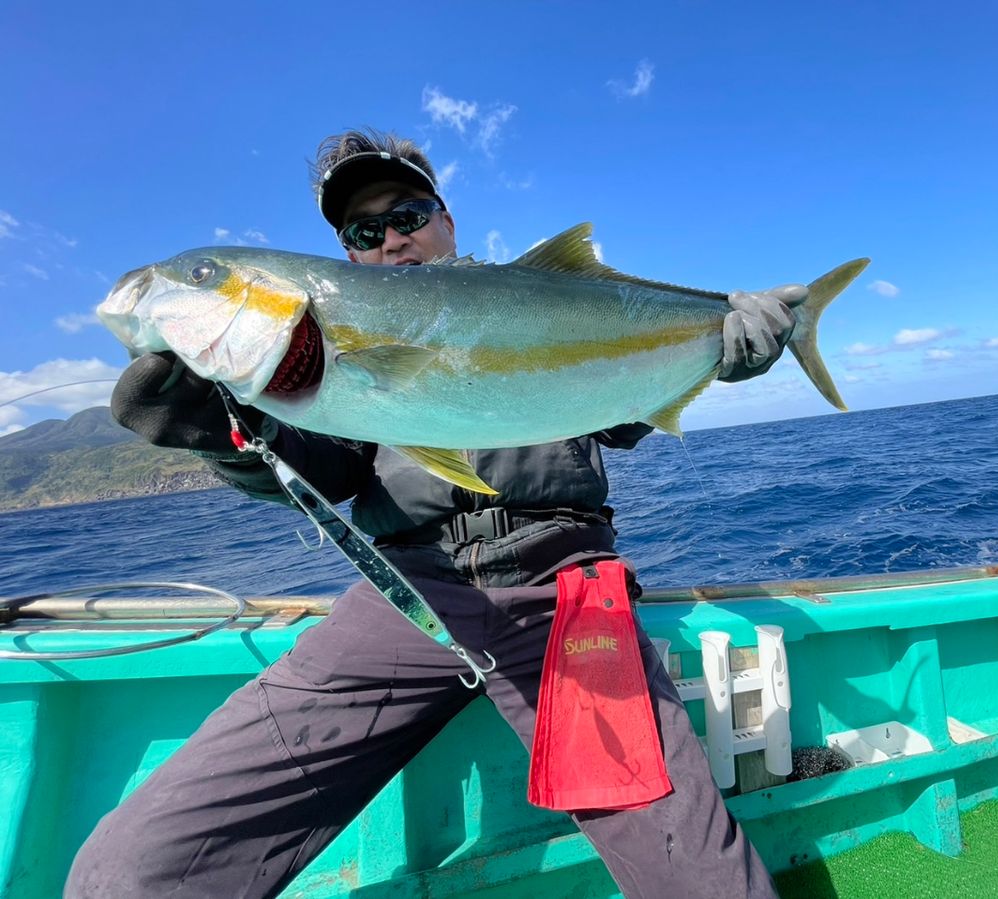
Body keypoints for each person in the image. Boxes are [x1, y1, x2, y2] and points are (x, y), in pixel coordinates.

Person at [67, 129, 797, 898]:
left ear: (446, 219)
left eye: (408, 214)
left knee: (708, 885)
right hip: (408, 598)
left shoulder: (540, 295)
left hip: (564, 590)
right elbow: (325, 468)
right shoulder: (315, 358)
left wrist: (723, 344)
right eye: (363, 231)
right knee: (128, 871)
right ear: (349, 255)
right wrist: (231, 436)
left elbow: (621, 409)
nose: (391, 239)